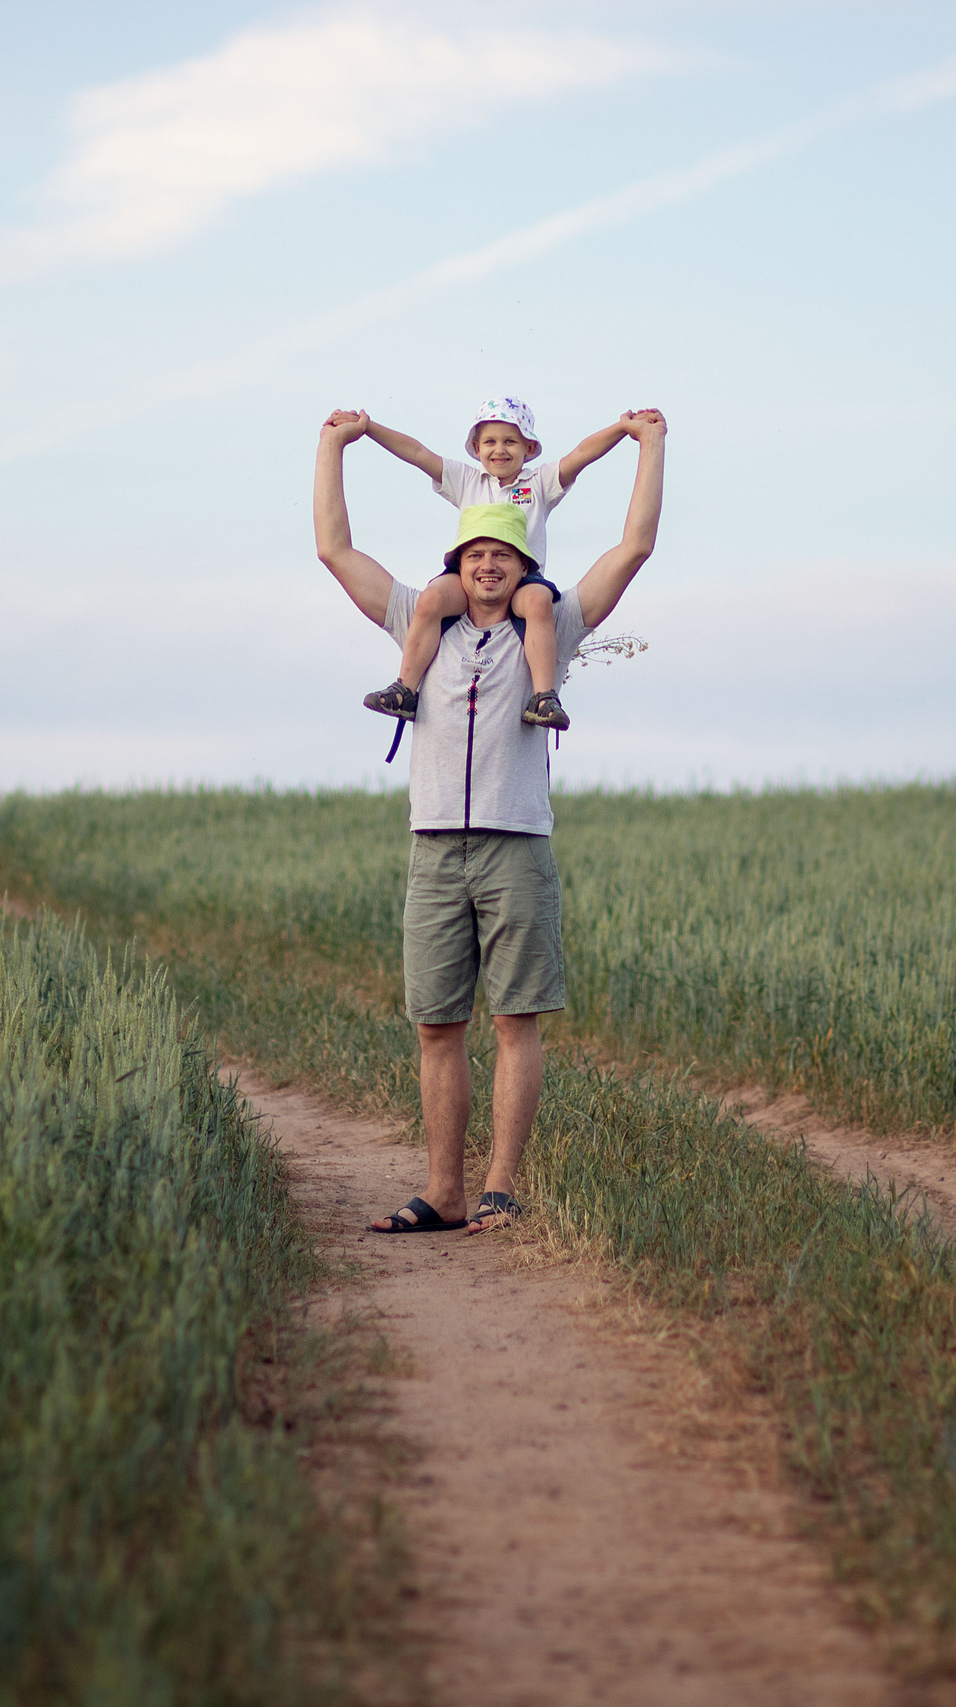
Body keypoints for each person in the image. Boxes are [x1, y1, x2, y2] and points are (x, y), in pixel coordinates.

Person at [313, 402, 668, 1234]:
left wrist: (648, 445)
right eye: (473, 552)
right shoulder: (417, 619)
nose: (486, 565)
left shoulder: (556, 626)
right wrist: (332, 445)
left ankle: (500, 1185)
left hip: (517, 848)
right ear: (457, 561)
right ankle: (444, 1189)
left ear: (522, 564)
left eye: (502, 553)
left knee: (515, 1021)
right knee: (438, 1026)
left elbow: (635, 548)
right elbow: (334, 548)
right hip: (434, 849)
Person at [350, 399, 646, 733]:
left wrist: (622, 428)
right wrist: (369, 429)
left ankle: (544, 696)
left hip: (522, 578)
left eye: (510, 441)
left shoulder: (539, 482)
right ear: (476, 448)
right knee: (431, 598)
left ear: (528, 447)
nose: (499, 450)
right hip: (470, 578)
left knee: (537, 603)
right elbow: (418, 453)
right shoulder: (466, 479)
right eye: (490, 441)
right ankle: (405, 687)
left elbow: (581, 454)